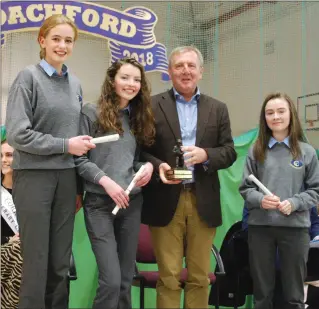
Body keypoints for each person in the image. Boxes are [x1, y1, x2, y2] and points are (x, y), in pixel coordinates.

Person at [5, 15, 95, 309]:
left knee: (59, 263)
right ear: (42, 41)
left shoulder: (77, 84)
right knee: (36, 262)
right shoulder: (27, 78)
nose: (62, 45)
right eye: (56, 38)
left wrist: (78, 183)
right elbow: (18, 135)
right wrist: (65, 145)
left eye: (68, 40)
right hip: (33, 178)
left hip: (66, 181)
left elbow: (75, 137)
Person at [141, 46, 237, 308]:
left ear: (201, 72)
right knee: (169, 277)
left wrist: (206, 155)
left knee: (199, 277)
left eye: (191, 66)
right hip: (164, 199)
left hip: (203, 199)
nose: (185, 70)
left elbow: (229, 152)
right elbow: (140, 151)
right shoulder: (150, 106)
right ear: (169, 72)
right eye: (179, 65)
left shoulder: (218, 109)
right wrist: (159, 165)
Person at [75, 57, 155, 309]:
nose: (131, 84)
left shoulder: (139, 117)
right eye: (125, 77)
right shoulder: (91, 112)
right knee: (110, 281)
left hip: (131, 204)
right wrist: (106, 182)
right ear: (112, 80)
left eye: (137, 80)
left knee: (124, 281)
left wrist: (147, 168)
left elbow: (138, 159)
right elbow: (78, 160)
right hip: (99, 206)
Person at [239, 92, 319, 309]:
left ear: (291, 114)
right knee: (262, 295)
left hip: (295, 230)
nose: (275, 116)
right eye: (269, 112)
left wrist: (295, 203)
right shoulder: (256, 151)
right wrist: (260, 200)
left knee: (294, 295)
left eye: (280, 111)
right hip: (260, 229)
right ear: (264, 118)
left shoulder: (307, 152)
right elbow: (246, 188)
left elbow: (315, 190)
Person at [1, 125, 22, 309]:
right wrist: (9, 240)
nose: (3, 160)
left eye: (9, 155)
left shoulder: (32, 194)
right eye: (0, 156)